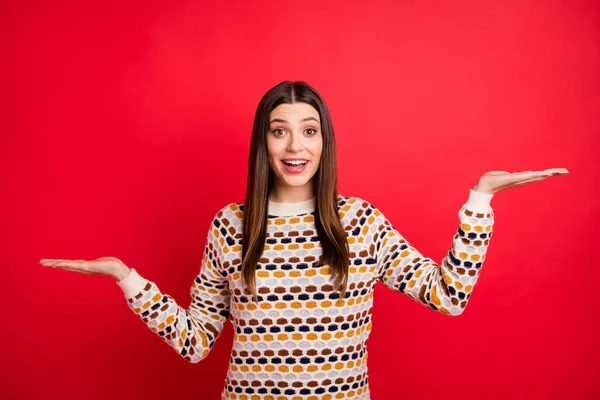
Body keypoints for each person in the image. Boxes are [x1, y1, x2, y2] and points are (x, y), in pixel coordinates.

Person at [40, 81, 569, 400]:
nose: (296, 145)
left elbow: (448, 295)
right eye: (279, 130)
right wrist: (126, 279)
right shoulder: (230, 225)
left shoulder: (359, 223)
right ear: (263, 142)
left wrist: (480, 200)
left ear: (324, 140)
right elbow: (197, 342)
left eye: (309, 130)